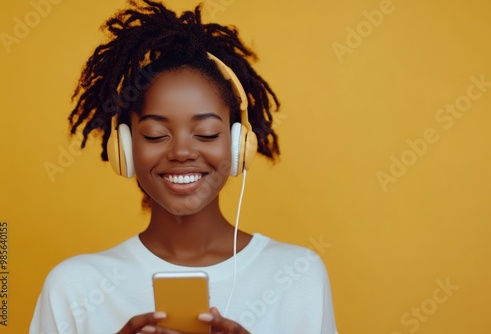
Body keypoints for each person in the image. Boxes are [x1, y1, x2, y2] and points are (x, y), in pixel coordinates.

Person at [30, 1, 338, 333]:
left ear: (238, 144)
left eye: (206, 133)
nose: (181, 152)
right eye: (155, 134)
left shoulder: (299, 275)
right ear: (125, 147)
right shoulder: (72, 287)